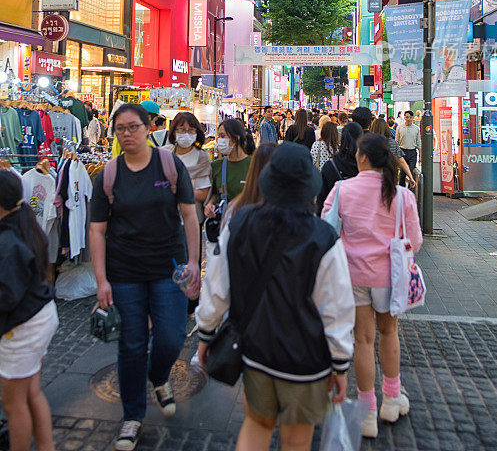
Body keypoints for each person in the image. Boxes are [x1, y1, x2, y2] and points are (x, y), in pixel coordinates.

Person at [196, 143, 355, 451]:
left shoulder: (239, 223)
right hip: (306, 362)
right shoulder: (324, 239)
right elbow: (336, 311)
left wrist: (206, 333)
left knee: (256, 424)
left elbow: (217, 287)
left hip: (255, 352)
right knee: (296, 441)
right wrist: (340, 365)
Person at [90, 104, 200, 451]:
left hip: (168, 268)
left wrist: (194, 262)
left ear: (149, 127)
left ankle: (159, 375)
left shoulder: (169, 165)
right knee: (131, 344)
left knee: (172, 335)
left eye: (133, 127)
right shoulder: (107, 174)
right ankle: (132, 416)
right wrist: (101, 279)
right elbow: (97, 230)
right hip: (125, 273)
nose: (126, 134)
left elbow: (189, 215)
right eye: (120, 128)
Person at [322, 133, 422, 438]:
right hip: (389, 277)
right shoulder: (402, 195)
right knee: (388, 333)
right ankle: (392, 398)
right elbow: (415, 241)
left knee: (362, 341)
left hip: (352, 276)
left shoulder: (342, 189)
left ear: (362, 157)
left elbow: (326, 230)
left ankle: (366, 410)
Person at [0, 169, 59, 451]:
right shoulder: (22, 221)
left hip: (23, 325)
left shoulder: (7, 241)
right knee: (31, 392)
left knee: (13, 403)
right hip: (40, 315)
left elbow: (6, 295)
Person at [166, 111, 212, 313]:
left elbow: (203, 193)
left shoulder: (202, 157)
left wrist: (178, 191)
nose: (186, 134)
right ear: (174, 131)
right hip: (166, 218)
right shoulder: (165, 153)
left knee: (188, 261)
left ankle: (189, 303)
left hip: (191, 218)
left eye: (190, 130)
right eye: (181, 129)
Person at [205, 119, 253, 217]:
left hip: (248, 221)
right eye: (218, 136)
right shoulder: (216, 166)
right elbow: (215, 194)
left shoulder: (254, 164)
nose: (219, 140)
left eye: (222, 136)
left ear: (236, 138)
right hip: (224, 223)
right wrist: (210, 204)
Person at [317, 121, 362, 214]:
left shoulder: (330, 166)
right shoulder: (366, 167)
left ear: (342, 138)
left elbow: (321, 202)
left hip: (334, 219)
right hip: (359, 220)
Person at [370, 118, 416, 190]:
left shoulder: (369, 143)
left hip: (372, 179)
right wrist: (411, 177)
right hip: (390, 178)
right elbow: (402, 161)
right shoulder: (392, 143)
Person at [395, 111, 421, 188]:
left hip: (413, 151)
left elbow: (419, 142)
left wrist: (420, 156)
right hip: (402, 151)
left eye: (410, 117)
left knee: (411, 172)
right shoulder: (399, 128)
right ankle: (401, 191)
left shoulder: (416, 129)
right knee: (402, 173)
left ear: (412, 118)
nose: (408, 119)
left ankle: (411, 190)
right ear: (404, 118)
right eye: (407, 117)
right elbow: (396, 141)